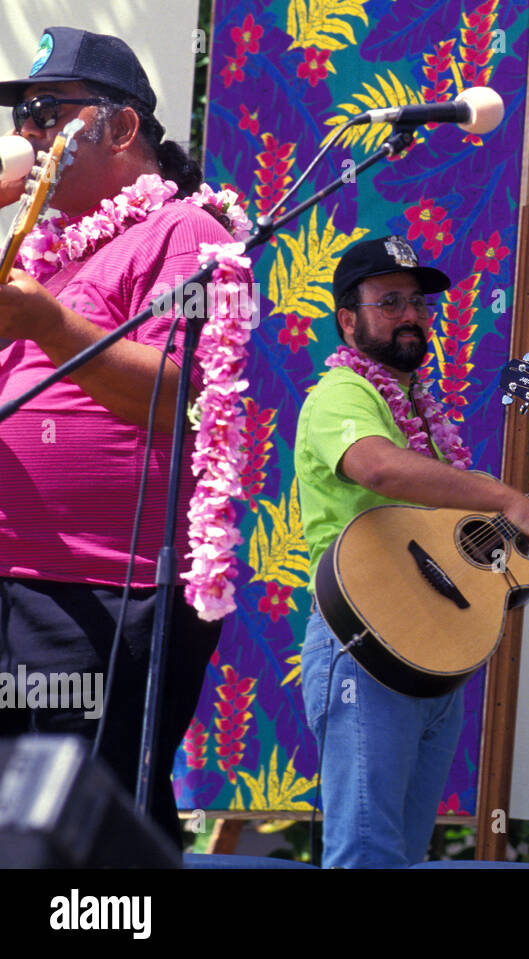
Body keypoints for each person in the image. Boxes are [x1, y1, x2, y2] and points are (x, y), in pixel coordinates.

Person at [0, 27, 249, 844]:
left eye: (46, 113)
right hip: (17, 580)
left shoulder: (189, 234)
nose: (28, 135)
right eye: (21, 116)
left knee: (87, 819)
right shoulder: (39, 246)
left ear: (120, 126)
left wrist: (48, 322)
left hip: (108, 591)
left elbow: (188, 395)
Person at [296, 235, 529, 867]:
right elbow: (380, 469)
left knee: (400, 858)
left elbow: (447, 536)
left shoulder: (423, 410)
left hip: (433, 656)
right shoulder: (343, 395)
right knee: (366, 854)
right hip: (365, 652)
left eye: (418, 303)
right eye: (389, 301)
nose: (412, 316)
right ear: (348, 320)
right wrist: (509, 499)